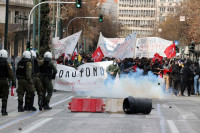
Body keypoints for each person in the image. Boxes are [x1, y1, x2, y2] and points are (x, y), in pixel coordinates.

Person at [0, 50, 15, 116]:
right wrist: (13, 82)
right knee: (4, 96)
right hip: (4, 81)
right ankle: (3, 110)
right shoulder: (7, 63)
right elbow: (11, 74)